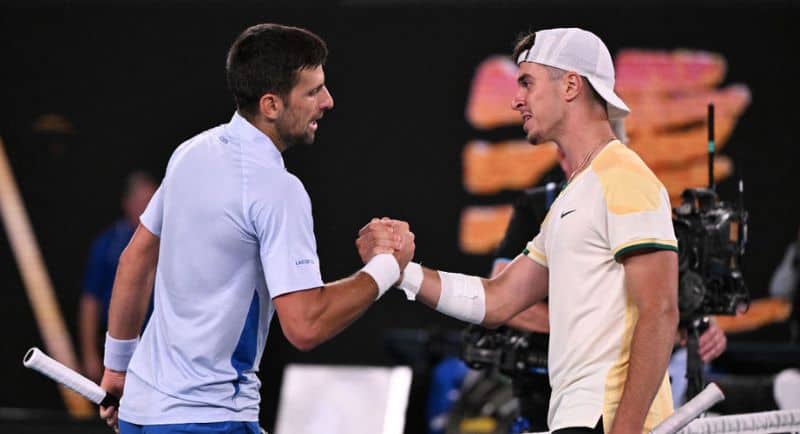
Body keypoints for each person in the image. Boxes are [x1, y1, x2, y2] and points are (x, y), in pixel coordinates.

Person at [99, 23, 414, 434]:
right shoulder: (278, 189)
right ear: (271, 105)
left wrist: (117, 369)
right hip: (211, 421)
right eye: (313, 91)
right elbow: (306, 325)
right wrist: (386, 268)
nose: (328, 102)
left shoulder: (190, 154)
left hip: (143, 415)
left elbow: (135, 260)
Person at [360, 28, 679, 434]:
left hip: (607, 420)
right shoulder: (575, 193)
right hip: (577, 418)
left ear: (570, 85)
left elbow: (661, 310)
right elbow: (497, 301)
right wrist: (400, 269)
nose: (516, 100)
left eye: (527, 82)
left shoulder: (624, 177)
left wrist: (626, 431)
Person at [79, 172, 157, 383]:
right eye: (142, 202)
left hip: (157, 348)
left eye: (152, 203)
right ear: (127, 204)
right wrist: (91, 355)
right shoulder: (107, 245)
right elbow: (90, 301)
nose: (147, 210)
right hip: (116, 346)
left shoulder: (171, 245)